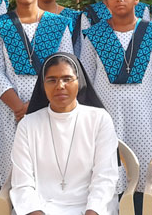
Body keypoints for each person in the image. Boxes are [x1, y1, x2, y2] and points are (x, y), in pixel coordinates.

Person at [79, 0, 152, 206]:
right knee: (108, 181)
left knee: (144, 183)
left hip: (146, 124)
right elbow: (84, 84)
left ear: (137, 0)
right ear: (106, 2)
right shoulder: (95, 35)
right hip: (105, 122)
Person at [0, 0, 74, 188]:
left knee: (50, 171)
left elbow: (66, 68)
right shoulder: (0, 25)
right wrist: (18, 107)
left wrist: (37, 105)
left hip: (50, 109)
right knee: (13, 174)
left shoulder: (59, 24)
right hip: (10, 112)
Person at [10, 53, 120, 215]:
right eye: (52, 80)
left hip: (90, 207)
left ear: (79, 82)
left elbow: (105, 177)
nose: (60, 85)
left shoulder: (99, 119)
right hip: (41, 207)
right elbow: (22, 183)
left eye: (67, 79)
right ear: (43, 85)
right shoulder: (28, 125)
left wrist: (92, 211)